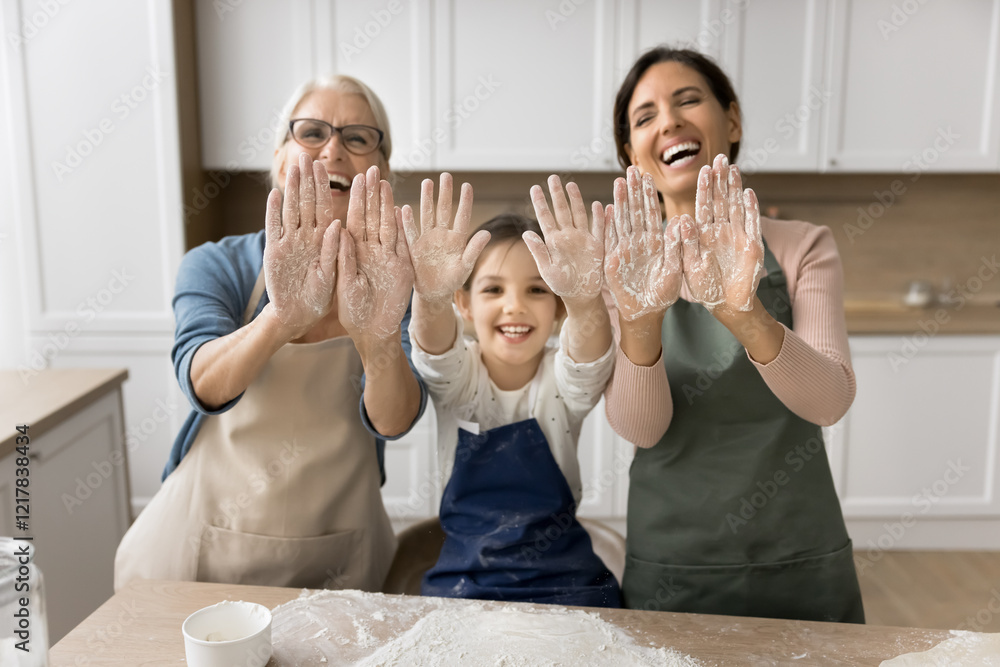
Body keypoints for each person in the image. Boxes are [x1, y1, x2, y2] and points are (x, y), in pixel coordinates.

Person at [114, 75, 426, 592]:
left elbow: (394, 421)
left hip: (341, 555)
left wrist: (377, 342)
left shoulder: (400, 283)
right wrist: (280, 318)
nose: (333, 150)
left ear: (383, 171)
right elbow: (203, 382)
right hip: (197, 554)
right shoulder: (218, 264)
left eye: (358, 138)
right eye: (311, 133)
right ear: (280, 161)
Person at [602, 47, 864, 623]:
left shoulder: (802, 246)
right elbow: (641, 428)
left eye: (688, 100)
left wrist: (743, 313)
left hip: (800, 551)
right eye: (644, 117)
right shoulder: (619, 265)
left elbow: (829, 401)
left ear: (733, 120)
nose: (667, 121)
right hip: (674, 561)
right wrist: (641, 319)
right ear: (630, 152)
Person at [405, 173, 620, 607]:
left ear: (557, 308)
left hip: (565, 581)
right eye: (493, 289)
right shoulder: (461, 379)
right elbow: (433, 348)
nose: (514, 305)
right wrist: (430, 297)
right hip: (466, 580)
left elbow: (588, 357)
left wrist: (583, 299)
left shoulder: (560, 382)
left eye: (537, 290)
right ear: (463, 303)